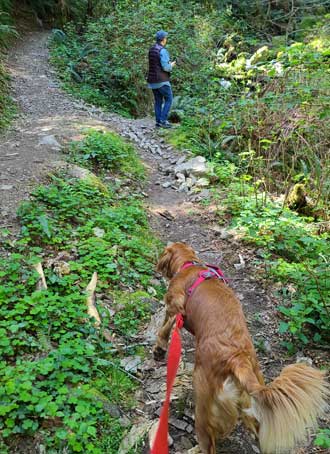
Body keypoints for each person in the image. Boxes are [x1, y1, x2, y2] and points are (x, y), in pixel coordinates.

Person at [147, 30, 176, 128]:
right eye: (166, 38)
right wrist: (171, 65)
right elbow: (166, 67)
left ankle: (158, 122)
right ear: (163, 39)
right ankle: (163, 121)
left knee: (158, 101)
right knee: (169, 99)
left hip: (152, 80)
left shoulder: (151, 49)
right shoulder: (163, 50)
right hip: (162, 80)